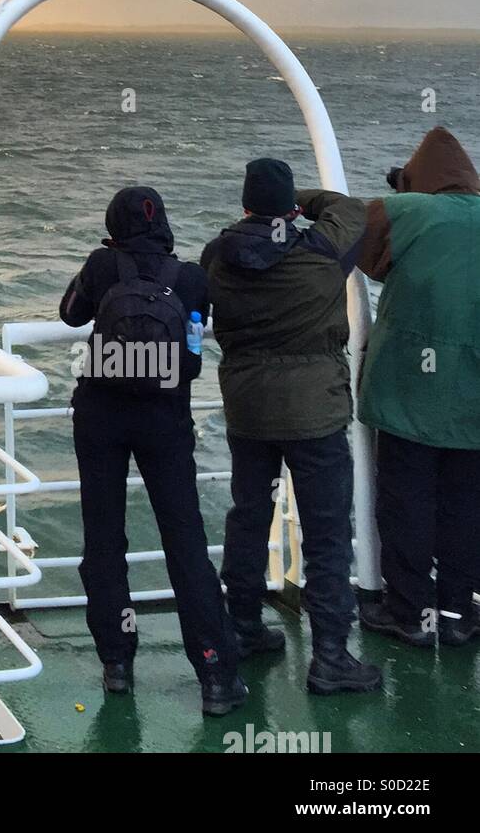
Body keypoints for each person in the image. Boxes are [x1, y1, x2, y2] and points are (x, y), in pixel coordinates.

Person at [59, 187, 245, 716]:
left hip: (101, 416)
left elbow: (71, 315)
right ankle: (214, 673)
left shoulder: (101, 264)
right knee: (185, 542)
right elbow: (192, 342)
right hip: (165, 420)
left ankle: (116, 662)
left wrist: (100, 268)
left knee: (103, 538)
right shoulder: (188, 277)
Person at [202, 157, 380, 694]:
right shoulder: (323, 254)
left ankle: (244, 628)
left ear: (245, 204)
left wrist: (266, 210)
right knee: (326, 534)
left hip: (248, 410)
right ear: (290, 207)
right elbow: (351, 210)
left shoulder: (217, 254)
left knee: (249, 516)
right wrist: (301, 201)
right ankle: (330, 657)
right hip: (315, 414)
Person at [357, 127, 480, 648]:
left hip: (408, 391)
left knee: (406, 502)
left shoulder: (404, 210)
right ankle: (457, 615)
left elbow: (363, 252)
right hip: (472, 404)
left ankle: (407, 612)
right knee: (465, 508)